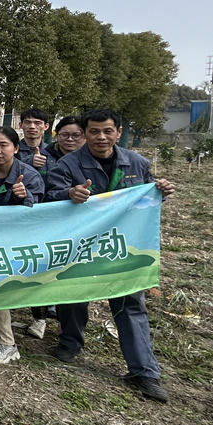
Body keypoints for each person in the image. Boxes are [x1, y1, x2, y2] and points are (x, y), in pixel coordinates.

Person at [46, 109, 176, 403]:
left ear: (118, 132)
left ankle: (144, 371)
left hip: (123, 246)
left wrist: (161, 192)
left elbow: (146, 198)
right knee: (73, 293)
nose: (101, 137)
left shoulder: (137, 163)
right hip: (81, 245)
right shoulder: (68, 165)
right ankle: (70, 342)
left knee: (130, 302)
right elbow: (50, 197)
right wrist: (68, 194)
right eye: (94, 131)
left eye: (107, 131)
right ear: (85, 134)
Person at [0, 126, 45, 363]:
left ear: (16, 148)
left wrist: (22, 197)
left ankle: (7, 343)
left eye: (3, 145)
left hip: (14, 242)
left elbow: (38, 212)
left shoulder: (29, 175)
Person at [17, 108, 52, 175]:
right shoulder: (12, 150)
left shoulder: (51, 151)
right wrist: (29, 162)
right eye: (27, 122)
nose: (32, 127)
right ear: (21, 125)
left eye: (37, 123)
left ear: (46, 126)